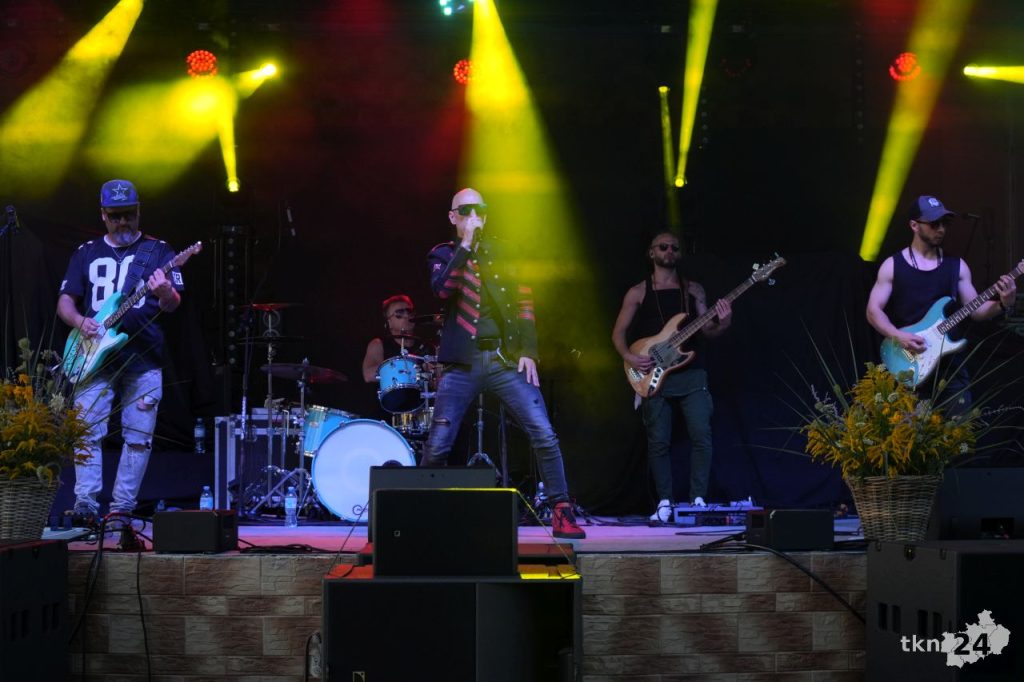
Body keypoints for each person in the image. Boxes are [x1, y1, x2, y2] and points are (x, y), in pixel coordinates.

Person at [420, 187, 585, 539]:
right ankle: (421, 514)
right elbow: (442, 290)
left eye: (479, 209)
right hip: (461, 363)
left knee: (543, 432)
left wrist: (528, 350)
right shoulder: (443, 254)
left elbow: (524, 300)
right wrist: (466, 245)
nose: (473, 215)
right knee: (438, 445)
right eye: (465, 210)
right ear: (453, 216)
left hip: (503, 358)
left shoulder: (504, 252)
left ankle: (561, 510)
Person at [57, 179, 184, 522]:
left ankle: (121, 510)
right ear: (103, 215)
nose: (123, 222)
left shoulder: (159, 251)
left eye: (128, 214)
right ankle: (85, 505)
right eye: (115, 216)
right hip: (93, 356)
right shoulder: (86, 252)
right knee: (86, 432)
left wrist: (164, 292)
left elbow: (172, 305)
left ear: (139, 211)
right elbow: (65, 301)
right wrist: (80, 321)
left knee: (138, 437)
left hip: (143, 358)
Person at [611, 231, 732, 523]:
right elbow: (618, 333)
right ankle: (665, 501)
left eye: (674, 248)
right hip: (654, 374)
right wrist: (629, 357)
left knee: (702, 436)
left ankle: (698, 500)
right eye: (663, 247)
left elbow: (708, 330)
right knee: (658, 441)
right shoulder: (638, 292)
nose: (669, 251)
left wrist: (724, 322)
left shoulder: (694, 290)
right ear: (652, 253)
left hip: (692, 373)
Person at [866, 195, 1017, 413]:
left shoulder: (957, 266)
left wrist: (1003, 304)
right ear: (914, 225)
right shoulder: (892, 266)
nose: (941, 229)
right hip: (909, 361)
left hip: (950, 367)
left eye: (944, 223)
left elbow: (977, 311)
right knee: (907, 432)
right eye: (934, 223)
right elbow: (873, 310)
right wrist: (897, 335)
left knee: (959, 430)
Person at [361, 294, 432, 383]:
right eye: (399, 313)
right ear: (389, 322)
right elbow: (368, 374)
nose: (406, 315)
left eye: (409, 311)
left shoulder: (426, 344)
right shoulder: (379, 344)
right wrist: (415, 368)